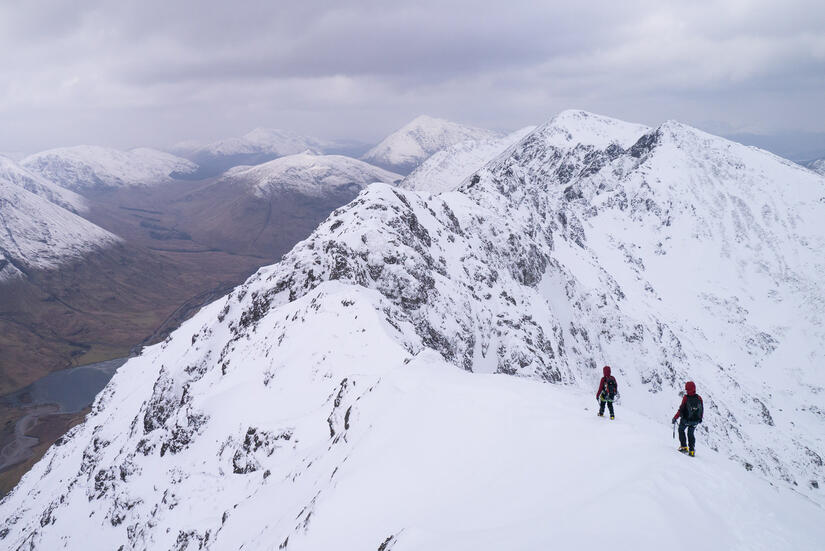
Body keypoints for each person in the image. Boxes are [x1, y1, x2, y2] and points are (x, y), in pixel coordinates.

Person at [672, 381, 704, 457]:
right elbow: (702, 409)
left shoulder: (686, 398)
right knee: (691, 434)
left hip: (686, 420)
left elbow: (681, 409)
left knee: (681, 430)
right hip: (695, 421)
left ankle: (684, 447)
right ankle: (692, 451)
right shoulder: (699, 398)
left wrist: (675, 417)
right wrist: (700, 419)